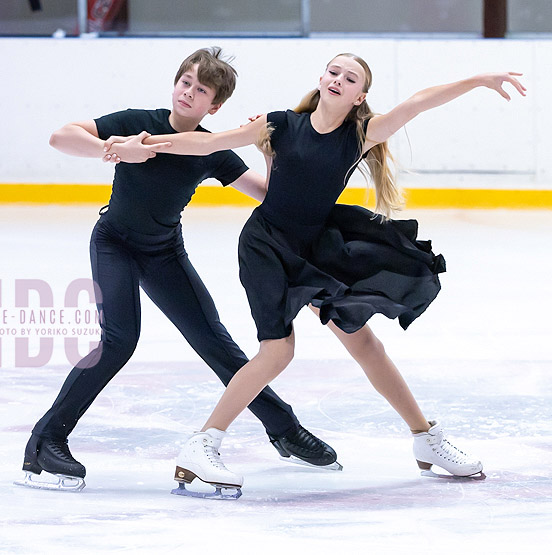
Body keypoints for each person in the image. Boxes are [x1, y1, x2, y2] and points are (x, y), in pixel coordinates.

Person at [103, 52, 526, 498]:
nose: (339, 79)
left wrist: (478, 79)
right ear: (321, 78)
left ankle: (426, 439)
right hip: (266, 246)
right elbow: (210, 143)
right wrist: (141, 145)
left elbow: (418, 103)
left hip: (316, 247)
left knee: (365, 343)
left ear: (360, 95)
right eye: (334, 71)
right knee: (277, 352)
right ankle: (203, 443)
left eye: (351, 78)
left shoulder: (360, 134)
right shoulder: (280, 124)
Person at [15, 47, 341, 493]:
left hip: (164, 252)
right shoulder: (137, 122)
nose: (188, 92)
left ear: (215, 106)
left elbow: (268, 196)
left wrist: (272, 155)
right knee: (118, 341)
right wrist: (112, 150)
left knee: (215, 341)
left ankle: (283, 427)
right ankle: (45, 441)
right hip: (115, 243)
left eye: (200, 89)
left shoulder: (210, 149)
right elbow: (60, 137)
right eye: (184, 82)